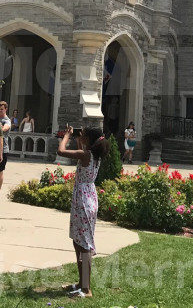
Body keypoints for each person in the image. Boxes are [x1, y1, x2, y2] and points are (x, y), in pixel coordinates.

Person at [58, 125, 109, 299]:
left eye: (84, 135)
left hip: (84, 201)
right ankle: (81, 283)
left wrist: (67, 135)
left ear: (88, 139)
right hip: (86, 198)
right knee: (78, 242)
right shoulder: (91, 153)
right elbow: (82, 150)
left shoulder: (85, 155)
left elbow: (61, 151)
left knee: (85, 244)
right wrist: (80, 138)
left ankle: (86, 289)